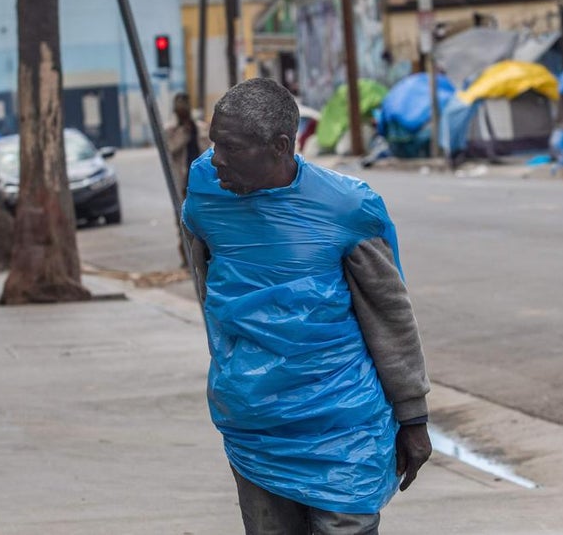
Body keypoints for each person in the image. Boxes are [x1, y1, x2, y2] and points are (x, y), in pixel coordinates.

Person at [182, 78, 431, 535]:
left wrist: (412, 416)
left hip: (343, 424)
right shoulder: (205, 190)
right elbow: (209, 288)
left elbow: (390, 316)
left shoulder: (346, 209)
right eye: (214, 142)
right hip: (255, 424)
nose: (215, 158)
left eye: (231, 147)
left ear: (280, 147)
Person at [165, 92, 210, 264]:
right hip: (182, 184)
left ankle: (204, 256)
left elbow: (207, 150)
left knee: (203, 221)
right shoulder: (171, 129)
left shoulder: (198, 127)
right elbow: (170, 148)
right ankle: (187, 258)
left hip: (199, 183)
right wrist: (183, 132)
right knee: (183, 222)